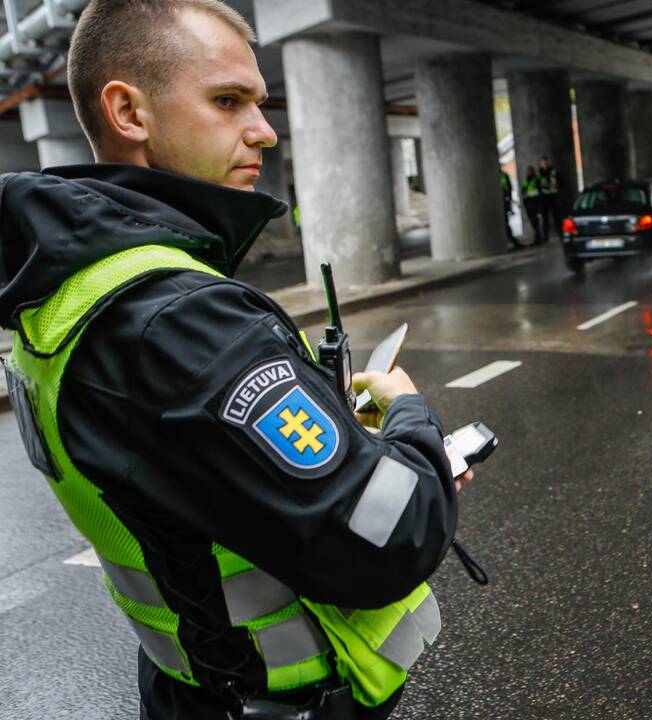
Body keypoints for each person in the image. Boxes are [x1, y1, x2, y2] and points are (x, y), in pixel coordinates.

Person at [0, 1, 467, 718]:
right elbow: (387, 540)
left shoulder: (70, 288)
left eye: (260, 102)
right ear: (129, 112)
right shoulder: (178, 317)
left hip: (195, 684)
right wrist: (411, 421)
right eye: (228, 101)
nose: (266, 130)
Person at [537, 155, 559, 245]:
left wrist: (557, 186)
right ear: (541, 163)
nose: (545, 164)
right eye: (543, 162)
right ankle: (545, 237)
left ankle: (559, 234)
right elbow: (537, 185)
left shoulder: (553, 171)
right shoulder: (539, 173)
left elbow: (560, 181)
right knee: (545, 218)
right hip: (544, 198)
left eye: (546, 162)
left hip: (553, 196)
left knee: (556, 216)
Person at [521, 164, 544, 244]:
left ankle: (538, 240)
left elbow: (540, 193)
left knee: (536, 223)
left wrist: (539, 208)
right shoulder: (526, 181)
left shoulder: (536, 180)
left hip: (535, 204)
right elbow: (523, 193)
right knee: (534, 223)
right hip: (528, 205)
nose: (528, 173)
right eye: (527, 171)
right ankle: (537, 239)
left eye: (530, 171)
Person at [500, 167, 522, 249]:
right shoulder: (503, 175)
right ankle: (513, 241)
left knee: (505, 223)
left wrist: (508, 200)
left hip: (504, 201)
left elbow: (508, 188)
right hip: (502, 201)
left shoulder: (503, 175)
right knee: (505, 224)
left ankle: (513, 241)